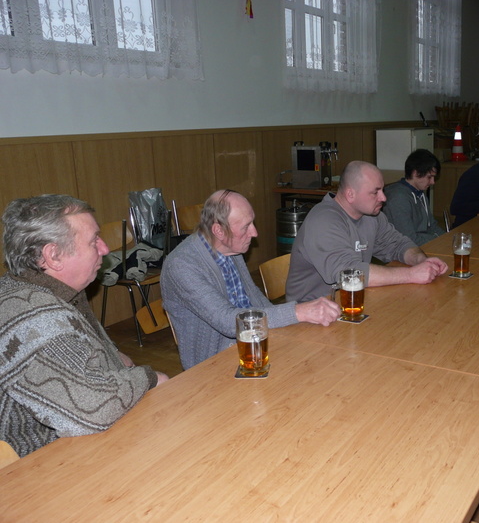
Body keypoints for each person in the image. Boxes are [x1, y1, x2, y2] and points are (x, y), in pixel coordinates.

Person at [0, 195, 168, 457]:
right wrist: (150, 377)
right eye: (93, 241)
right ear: (53, 256)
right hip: (39, 462)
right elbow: (94, 408)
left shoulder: (46, 289)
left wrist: (112, 356)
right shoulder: (36, 318)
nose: (105, 249)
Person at [161, 190, 340, 370]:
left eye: (252, 222)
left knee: (324, 358)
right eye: (246, 227)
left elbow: (254, 297)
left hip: (254, 343)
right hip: (214, 364)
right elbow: (227, 321)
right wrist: (297, 312)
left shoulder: (231, 248)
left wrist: (288, 329)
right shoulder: (181, 265)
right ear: (219, 231)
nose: (254, 232)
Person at [286, 161, 449, 303]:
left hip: (350, 301)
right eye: (375, 192)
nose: (383, 198)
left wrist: (420, 261)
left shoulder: (371, 215)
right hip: (311, 312)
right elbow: (349, 273)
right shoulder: (324, 220)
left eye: (383, 190)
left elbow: (397, 244)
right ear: (350, 194)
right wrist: (411, 274)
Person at [382, 149, 445, 246]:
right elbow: (409, 239)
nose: (433, 182)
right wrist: (438, 241)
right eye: (429, 177)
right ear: (415, 173)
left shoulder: (420, 193)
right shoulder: (398, 199)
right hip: (405, 250)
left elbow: (432, 225)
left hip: (423, 244)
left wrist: (447, 239)